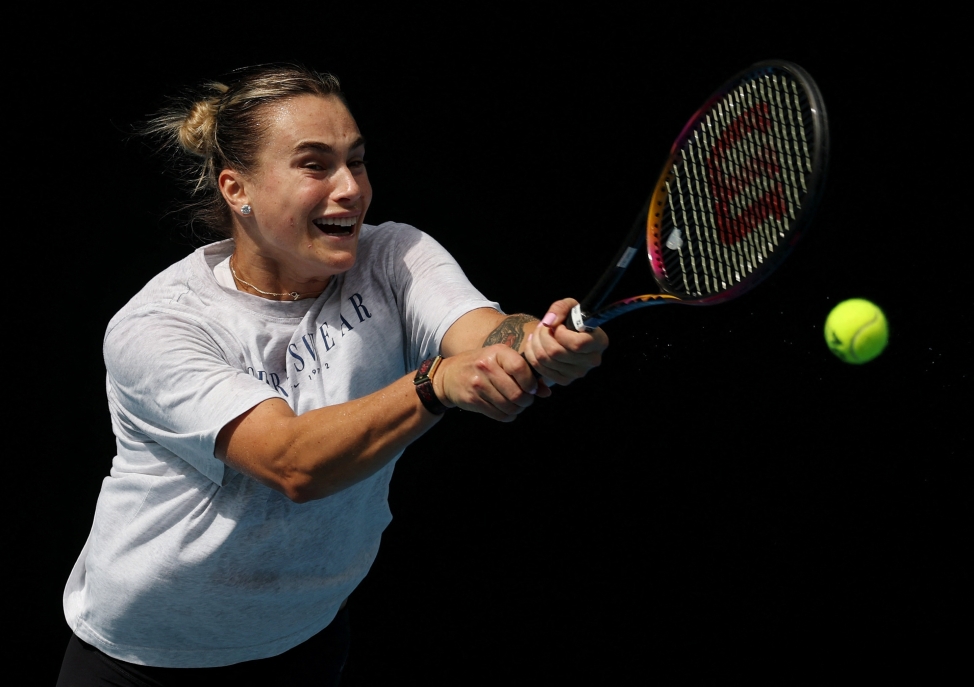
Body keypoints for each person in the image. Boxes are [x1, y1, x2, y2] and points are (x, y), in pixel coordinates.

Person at [57, 64, 607, 686]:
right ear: (237, 189)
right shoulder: (157, 326)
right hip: (146, 659)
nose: (351, 188)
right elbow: (293, 462)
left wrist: (540, 343)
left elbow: (485, 332)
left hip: (305, 635)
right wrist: (435, 383)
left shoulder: (394, 255)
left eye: (358, 161)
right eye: (315, 165)